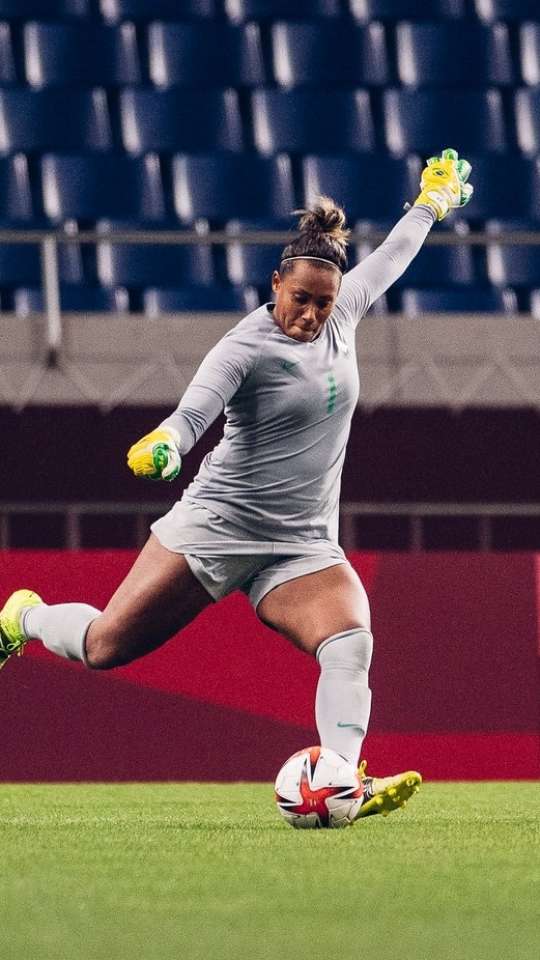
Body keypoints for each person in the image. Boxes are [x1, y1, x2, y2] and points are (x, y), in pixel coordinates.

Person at [0, 149, 472, 818]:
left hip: (300, 542)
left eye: (322, 302)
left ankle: (340, 780)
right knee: (105, 646)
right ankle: (25, 616)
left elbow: (395, 254)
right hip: (217, 528)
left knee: (349, 641)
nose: (310, 314)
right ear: (276, 283)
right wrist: (165, 445)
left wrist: (431, 202)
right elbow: (194, 411)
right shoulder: (245, 346)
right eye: (299, 299)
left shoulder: (343, 315)